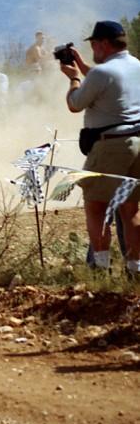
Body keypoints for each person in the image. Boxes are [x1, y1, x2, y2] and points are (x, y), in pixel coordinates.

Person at [61, 20, 140, 275]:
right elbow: (109, 85)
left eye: (95, 43)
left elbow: (75, 103)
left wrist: (74, 77)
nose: (93, 47)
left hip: (111, 145)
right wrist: (85, 67)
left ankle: (100, 267)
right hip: (137, 140)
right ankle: (135, 268)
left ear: (104, 44)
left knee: (97, 206)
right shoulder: (135, 65)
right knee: (131, 208)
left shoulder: (101, 74)